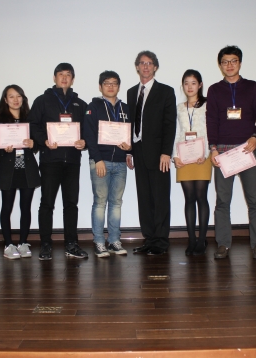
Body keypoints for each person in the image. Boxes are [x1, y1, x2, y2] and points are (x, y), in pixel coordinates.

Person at [206, 45, 256, 260]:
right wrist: (213, 148)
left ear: (240, 63)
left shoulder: (253, 87)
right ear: (220, 65)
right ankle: (223, 244)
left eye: (233, 61)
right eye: (225, 62)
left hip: (246, 149)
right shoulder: (214, 90)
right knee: (222, 201)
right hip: (223, 152)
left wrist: (255, 137)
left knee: (254, 200)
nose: (229, 65)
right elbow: (211, 120)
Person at [29, 63, 88, 260]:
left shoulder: (80, 104)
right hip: (50, 160)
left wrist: (84, 142)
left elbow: (87, 130)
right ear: (54, 78)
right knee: (47, 203)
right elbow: (33, 125)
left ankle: (71, 243)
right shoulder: (42, 101)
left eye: (68, 75)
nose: (64, 78)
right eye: (60, 74)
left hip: (72, 161)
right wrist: (44, 140)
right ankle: (45, 244)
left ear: (72, 79)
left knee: (71, 203)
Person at [126, 51, 177, 256]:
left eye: (149, 63)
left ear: (155, 67)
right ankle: (149, 239)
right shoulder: (131, 92)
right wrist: (129, 151)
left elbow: (169, 124)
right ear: (137, 67)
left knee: (160, 198)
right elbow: (130, 125)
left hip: (158, 154)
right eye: (142, 63)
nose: (145, 66)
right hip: (138, 151)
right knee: (144, 198)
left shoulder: (166, 91)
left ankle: (161, 241)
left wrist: (166, 152)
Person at [83, 71, 131, 258]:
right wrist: (98, 159)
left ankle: (114, 241)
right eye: (107, 83)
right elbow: (89, 135)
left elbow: (131, 134)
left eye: (114, 83)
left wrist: (129, 148)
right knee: (100, 202)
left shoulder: (125, 108)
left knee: (116, 203)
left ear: (119, 86)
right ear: (100, 86)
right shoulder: (93, 107)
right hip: (100, 162)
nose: (111, 86)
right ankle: (99, 242)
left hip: (120, 163)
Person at [0, 85, 40, 260]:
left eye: (18, 96)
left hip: (27, 169)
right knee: (6, 207)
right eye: (11, 96)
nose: (15, 100)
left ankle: (23, 242)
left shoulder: (30, 119)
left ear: (23, 98)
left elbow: (38, 141)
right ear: (5, 100)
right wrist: (3, 149)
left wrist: (34, 144)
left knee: (25, 207)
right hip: (8, 170)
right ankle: (8, 244)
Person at [172, 70, 212, 256]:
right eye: (186, 83)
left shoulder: (208, 105)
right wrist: (175, 156)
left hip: (202, 156)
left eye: (193, 83)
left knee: (201, 197)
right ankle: (192, 240)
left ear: (200, 85)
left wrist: (206, 153)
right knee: (189, 198)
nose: (189, 86)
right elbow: (177, 133)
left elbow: (211, 131)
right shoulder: (179, 108)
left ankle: (202, 239)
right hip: (184, 157)